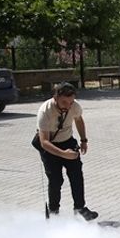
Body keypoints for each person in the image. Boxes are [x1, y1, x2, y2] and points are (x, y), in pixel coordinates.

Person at [33, 82, 97, 221]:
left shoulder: (74, 106)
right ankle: (54, 212)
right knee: (56, 180)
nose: (68, 106)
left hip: (67, 141)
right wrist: (63, 154)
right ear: (55, 98)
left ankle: (80, 209)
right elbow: (44, 142)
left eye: (71, 102)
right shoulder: (45, 111)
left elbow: (79, 120)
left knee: (76, 175)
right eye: (64, 102)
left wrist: (84, 140)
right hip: (50, 146)